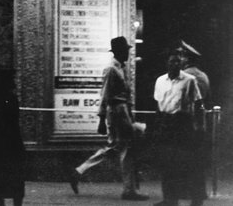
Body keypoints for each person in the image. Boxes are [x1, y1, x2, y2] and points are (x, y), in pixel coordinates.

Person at [69, 36, 148, 201]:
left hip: (122, 111)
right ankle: (129, 190)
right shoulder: (111, 69)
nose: (127, 53)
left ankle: (79, 171)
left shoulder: (120, 68)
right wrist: (101, 118)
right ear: (119, 51)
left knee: (116, 147)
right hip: (117, 112)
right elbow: (105, 95)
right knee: (125, 149)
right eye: (126, 50)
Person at [154, 51, 202, 206]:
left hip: (182, 123)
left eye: (177, 61)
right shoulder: (160, 81)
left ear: (181, 64)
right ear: (166, 63)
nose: (175, 64)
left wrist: (198, 127)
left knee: (186, 162)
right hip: (166, 123)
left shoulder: (189, 80)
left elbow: (197, 103)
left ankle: (196, 198)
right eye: (172, 61)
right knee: (166, 163)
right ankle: (169, 199)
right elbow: (158, 105)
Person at [0, 69, 25, 206]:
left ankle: (1, 204)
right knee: (15, 176)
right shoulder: (11, 98)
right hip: (13, 141)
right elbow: (14, 120)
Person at [177, 42, 210, 206]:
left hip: (187, 122)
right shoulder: (203, 76)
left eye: (182, 56)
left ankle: (186, 190)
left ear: (186, 58)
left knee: (185, 158)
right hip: (200, 122)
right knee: (197, 159)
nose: (180, 59)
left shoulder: (185, 75)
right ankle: (199, 192)